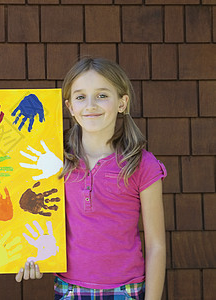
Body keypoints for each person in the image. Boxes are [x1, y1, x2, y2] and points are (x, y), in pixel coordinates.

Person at [15, 57, 166, 300]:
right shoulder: (53, 162)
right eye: (80, 97)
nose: (91, 105)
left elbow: (156, 245)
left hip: (126, 290)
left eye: (102, 95)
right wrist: (29, 255)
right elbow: (30, 216)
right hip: (70, 289)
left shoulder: (142, 164)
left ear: (122, 102)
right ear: (70, 106)